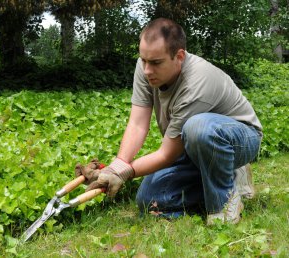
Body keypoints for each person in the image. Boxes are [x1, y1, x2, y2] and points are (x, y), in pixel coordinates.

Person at [82, 18, 263, 225]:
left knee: (198, 127)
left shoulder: (197, 82)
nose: (147, 70)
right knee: (149, 200)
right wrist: (116, 167)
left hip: (240, 139)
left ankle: (223, 202)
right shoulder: (146, 68)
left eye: (156, 63)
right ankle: (229, 175)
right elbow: (138, 123)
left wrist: (124, 174)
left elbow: (167, 154)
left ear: (179, 56)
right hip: (191, 146)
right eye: (143, 60)